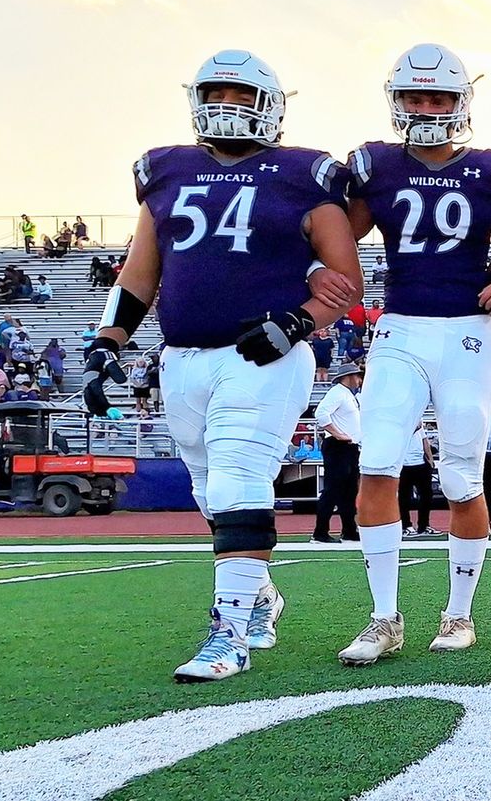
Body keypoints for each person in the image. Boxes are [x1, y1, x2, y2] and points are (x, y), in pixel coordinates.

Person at [83, 49, 362, 683]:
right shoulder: (166, 170)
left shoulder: (305, 173)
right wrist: (109, 341)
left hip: (264, 354)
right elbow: (139, 272)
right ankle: (259, 595)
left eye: (241, 96)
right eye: (216, 94)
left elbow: (345, 277)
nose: (227, 107)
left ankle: (229, 629)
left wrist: (295, 323)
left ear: (271, 105)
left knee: (239, 479)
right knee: (211, 491)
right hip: (182, 356)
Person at [336, 43, 491, 666]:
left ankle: (459, 613)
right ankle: (383, 617)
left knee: (460, 472)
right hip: (400, 326)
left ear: (460, 102)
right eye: (416, 97)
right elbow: (335, 232)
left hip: (467, 331)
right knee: (377, 463)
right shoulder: (375, 167)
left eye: (439, 97)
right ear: (396, 101)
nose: (427, 108)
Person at [313, 362, 363, 543]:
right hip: (338, 446)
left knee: (349, 491)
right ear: (348, 377)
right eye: (357, 376)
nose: (359, 380)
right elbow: (321, 414)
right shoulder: (337, 393)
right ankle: (320, 532)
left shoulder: (348, 396)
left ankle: (349, 529)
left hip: (349, 447)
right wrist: (338, 434)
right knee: (333, 489)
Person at [398, 424, 437, 536]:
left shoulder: (418, 420)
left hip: (421, 463)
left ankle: (424, 526)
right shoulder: (402, 421)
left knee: (427, 495)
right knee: (404, 497)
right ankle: (406, 526)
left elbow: (424, 440)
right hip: (405, 464)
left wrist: (429, 458)